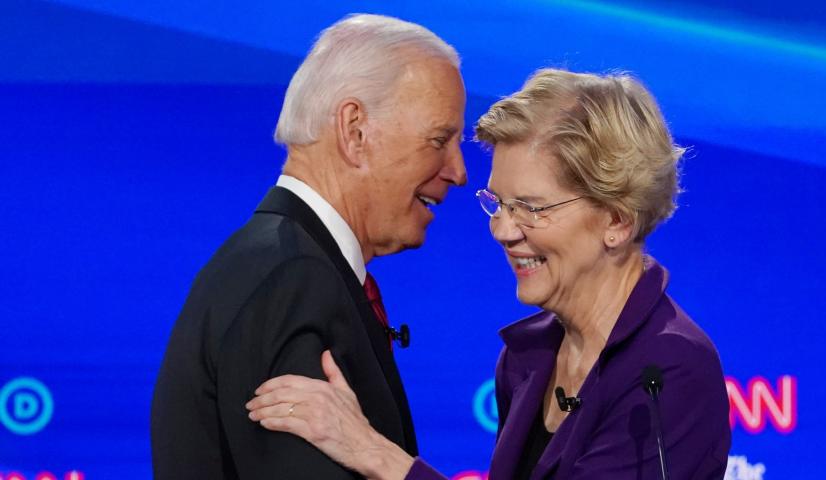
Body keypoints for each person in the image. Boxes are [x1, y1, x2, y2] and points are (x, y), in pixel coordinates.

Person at [245, 69, 730, 479]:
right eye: (498, 203)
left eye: (531, 208)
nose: (502, 230)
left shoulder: (668, 370)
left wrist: (377, 456)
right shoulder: (528, 358)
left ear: (617, 220)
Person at [150, 14, 467, 479]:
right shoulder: (293, 280)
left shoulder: (278, 262)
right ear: (355, 130)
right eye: (440, 139)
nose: (458, 171)